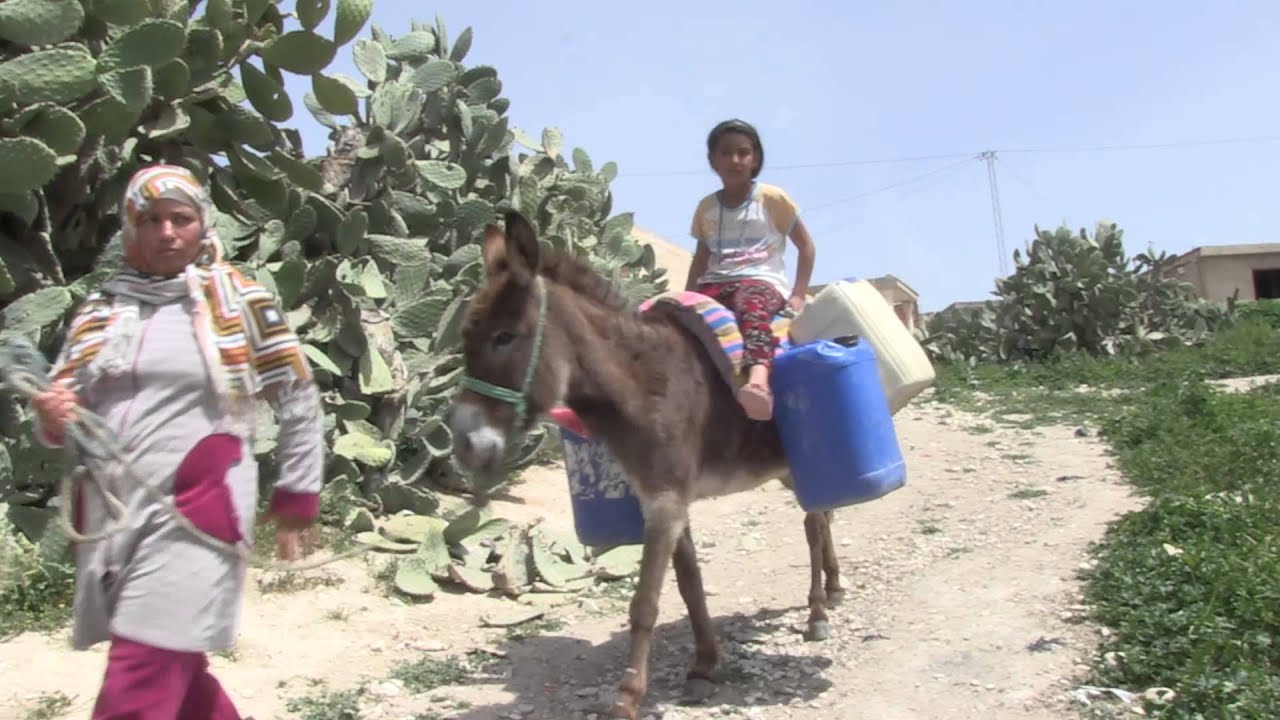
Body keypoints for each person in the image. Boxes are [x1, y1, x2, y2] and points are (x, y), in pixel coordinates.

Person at [29, 164, 325, 720]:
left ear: (202, 225)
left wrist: (297, 500)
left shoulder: (240, 302)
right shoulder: (101, 310)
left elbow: (300, 399)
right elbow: (63, 420)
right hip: (114, 520)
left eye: (180, 219)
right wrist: (52, 415)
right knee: (174, 670)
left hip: (198, 511)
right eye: (151, 220)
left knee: (141, 671)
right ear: (131, 229)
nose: (167, 232)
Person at [685, 118, 817, 421]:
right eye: (726, 153)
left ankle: (758, 381)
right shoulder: (706, 208)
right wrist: (687, 297)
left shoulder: (772, 198)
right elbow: (701, 257)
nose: (735, 160)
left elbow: (806, 246)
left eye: (743, 153)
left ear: (755, 159)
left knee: (751, 307)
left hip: (760, 282)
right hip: (715, 284)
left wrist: (797, 296)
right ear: (712, 161)